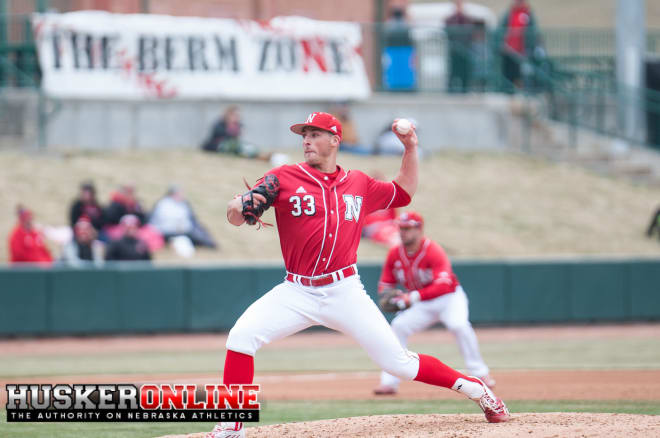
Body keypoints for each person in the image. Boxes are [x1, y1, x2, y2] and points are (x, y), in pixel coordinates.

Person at [206, 112, 509, 438]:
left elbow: (403, 193)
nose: (306, 140)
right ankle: (230, 427)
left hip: (344, 290)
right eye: (303, 134)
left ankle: (476, 388)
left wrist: (410, 148)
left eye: (314, 134)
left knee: (399, 364)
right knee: (241, 338)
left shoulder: (359, 183)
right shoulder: (284, 176)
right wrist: (237, 205)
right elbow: (237, 216)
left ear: (335, 140)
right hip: (296, 291)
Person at [373, 211, 495, 395]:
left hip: (448, 299)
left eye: (408, 228)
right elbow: (385, 285)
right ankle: (389, 382)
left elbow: (443, 286)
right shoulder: (394, 254)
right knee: (398, 326)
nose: (403, 232)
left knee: (459, 325)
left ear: (419, 229)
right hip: (422, 304)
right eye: (401, 228)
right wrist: (391, 297)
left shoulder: (433, 250)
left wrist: (410, 298)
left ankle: (480, 373)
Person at [149, 185, 217, 252]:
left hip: (183, 230)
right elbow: (164, 221)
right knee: (195, 235)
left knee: (200, 230)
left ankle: (211, 244)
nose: (182, 195)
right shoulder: (163, 204)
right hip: (168, 231)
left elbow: (191, 218)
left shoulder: (183, 203)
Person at [495, 0, 539, 92]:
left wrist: (530, 47)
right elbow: (501, 29)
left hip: (523, 52)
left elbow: (533, 32)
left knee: (523, 75)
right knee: (509, 74)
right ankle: (508, 92)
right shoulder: (508, 14)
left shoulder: (528, 14)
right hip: (509, 51)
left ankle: (526, 92)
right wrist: (503, 43)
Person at [201, 105, 271, 161]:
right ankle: (258, 156)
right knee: (237, 147)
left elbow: (236, 138)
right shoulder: (220, 124)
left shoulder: (238, 125)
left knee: (245, 146)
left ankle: (260, 154)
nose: (237, 117)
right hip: (219, 146)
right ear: (228, 115)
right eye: (235, 115)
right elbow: (220, 135)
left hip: (234, 146)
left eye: (238, 115)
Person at [362, 170, 401, 247]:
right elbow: (363, 222)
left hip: (389, 225)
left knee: (396, 232)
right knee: (385, 233)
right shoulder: (365, 199)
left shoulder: (389, 199)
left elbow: (394, 218)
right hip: (373, 227)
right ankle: (396, 245)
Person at [445, 0, 476, 93]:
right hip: (454, 52)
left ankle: (465, 91)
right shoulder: (450, 19)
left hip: (465, 51)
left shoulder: (467, 19)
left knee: (464, 74)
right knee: (453, 73)